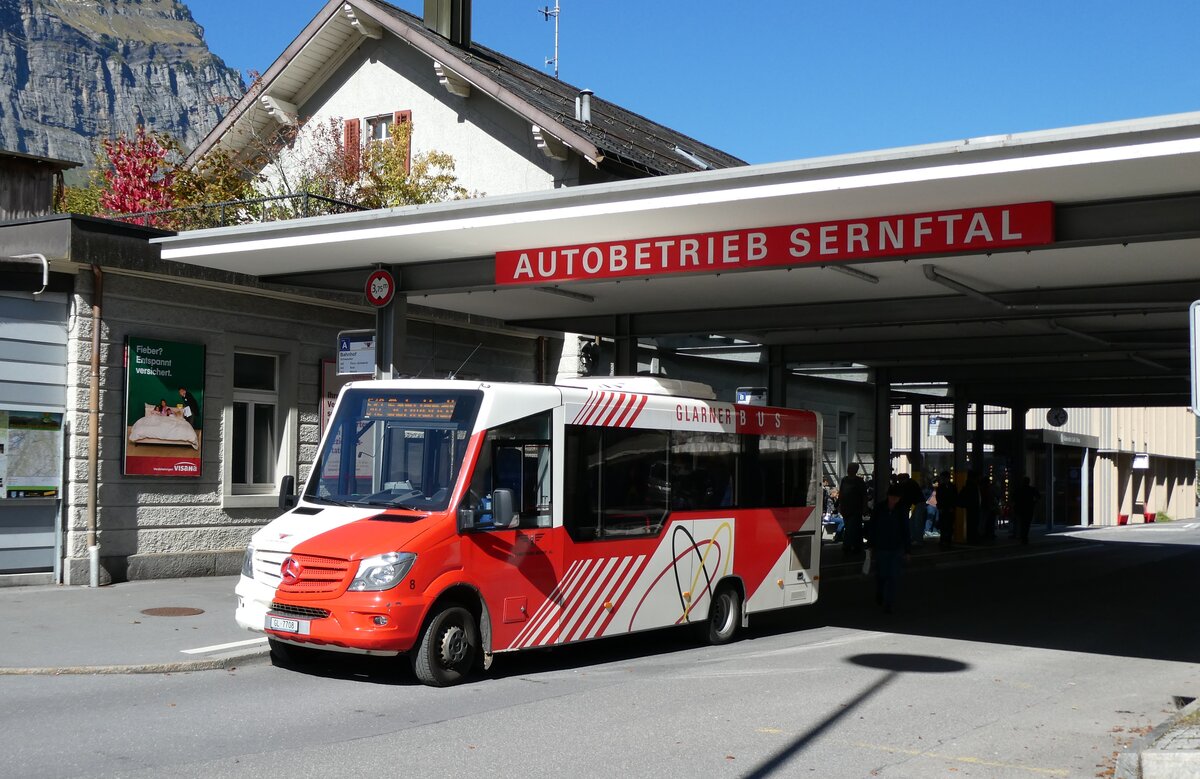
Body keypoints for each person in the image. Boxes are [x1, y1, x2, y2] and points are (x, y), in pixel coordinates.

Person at [867, 483, 911, 613]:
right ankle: (880, 591)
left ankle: (889, 603)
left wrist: (907, 550)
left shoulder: (901, 510)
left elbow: (905, 530)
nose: (894, 500)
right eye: (892, 497)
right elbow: (872, 527)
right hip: (881, 546)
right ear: (888, 496)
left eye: (896, 498)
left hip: (897, 547)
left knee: (893, 576)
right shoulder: (880, 508)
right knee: (882, 574)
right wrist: (870, 544)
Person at [837, 463, 868, 556]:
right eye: (848, 468)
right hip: (846, 509)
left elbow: (864, 495)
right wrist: (839, 503)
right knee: (851, 527)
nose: (848, 470)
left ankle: (848, 545)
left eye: (850, 468)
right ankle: (856, 545)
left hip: (855, 509)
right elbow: (841, 493)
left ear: (855, 470)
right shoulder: (845, 480)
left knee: (851, 527)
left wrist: (864, 507)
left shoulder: (859, 481)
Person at [1013, 476, 1040, 545]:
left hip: (1021, 508)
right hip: (1029, 508)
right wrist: (1034, 502)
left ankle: (1022, 537)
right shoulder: (1032, 489)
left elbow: (1013, 497)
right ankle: (1025, 537)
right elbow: (1039, 496)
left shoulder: (1019, 489)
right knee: (1027, 524)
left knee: (1022, 523)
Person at [937, 472, 958, 548]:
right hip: (945, 508)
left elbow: (955, 498)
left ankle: (947, 540)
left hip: (948, 508)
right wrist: (940, 507)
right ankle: (943, 540)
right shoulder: (944, 487)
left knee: (948, 525)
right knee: (944, 525)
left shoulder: (951, 487)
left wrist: (952, 507)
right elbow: (938, 498)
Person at [960, 472, 981, 543]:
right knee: (973, 522)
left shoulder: (969, 485)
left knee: (972, 522)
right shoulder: (972, 486)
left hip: (971, 507)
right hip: (973, 507)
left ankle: (972, 537)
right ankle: (972, 537)